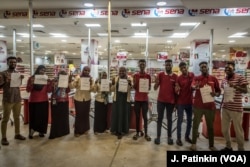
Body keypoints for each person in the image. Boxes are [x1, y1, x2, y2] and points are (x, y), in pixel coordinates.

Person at [190, 61, 221, 151]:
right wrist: (195, 87)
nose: (203, 68)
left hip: (210, 107)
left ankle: (211, 145)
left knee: (210, 126)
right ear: (200, 69)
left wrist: (215, 94)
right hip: (198, 106)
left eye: (205, 66)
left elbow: (219, 92)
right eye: (202, 67)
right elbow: (192, 86)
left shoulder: (213, 79)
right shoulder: (197, 78)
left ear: (207, 67)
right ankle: (193, 144)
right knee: (195, 125)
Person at [220, 61, 248, 151]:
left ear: (234, 69)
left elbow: (245, 90)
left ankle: (241, 148)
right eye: (226, 68)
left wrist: (235, 86)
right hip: (225, 108)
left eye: (230, 68)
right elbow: (224, 93)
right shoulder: (224, 80)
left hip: (236, 109)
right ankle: (228, 146)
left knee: (238, 130)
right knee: (224, 129)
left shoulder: (240, 78)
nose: (227, 69)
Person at [0, 56, 26, 146]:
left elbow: (17, 85)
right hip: (8, 99)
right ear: (8, 63)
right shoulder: (3, 74)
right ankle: (3, 137)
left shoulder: (17, 73)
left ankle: (17, 134)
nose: (13, 64)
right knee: (5, 119)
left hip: (17, 98)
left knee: (17, 117)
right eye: (11, 62)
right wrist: (5, 81)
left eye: (14, 62)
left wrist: (21, 79)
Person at [154, 59, 177, 145]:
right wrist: (156, 83)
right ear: (164, 66)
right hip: (161, 101)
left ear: (172, 65)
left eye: (169, 65)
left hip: (171, 102)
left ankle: (169, 137)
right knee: (159, 119)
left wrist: (176, 103)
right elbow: (155, 88)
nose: (167, 66)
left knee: (169, 119)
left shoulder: (175, 76)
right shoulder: (160, 75)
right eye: (166, 65)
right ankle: (158, 137)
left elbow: (176, 91)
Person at [26, 65, 53, 139]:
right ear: (38, 70)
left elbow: (49, 90)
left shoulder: (46, 79)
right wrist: (31, 83)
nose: (43, 72)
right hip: (34, 100)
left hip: (44, 100)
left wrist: (50, 84)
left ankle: (41, 131)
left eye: (44, 70)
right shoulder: (32, 78)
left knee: (43, 117)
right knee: (34, 117)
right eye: (41, 70)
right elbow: (28, 90)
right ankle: (32, 131)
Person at [69, 66, 94, 137]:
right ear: (83, 70)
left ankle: (85, 129)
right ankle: (77, 131)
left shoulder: (91, 78)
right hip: (78, 98)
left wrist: (91, 84)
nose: (87, 72)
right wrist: (71, 81)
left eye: (88, 71)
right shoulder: (78, 77)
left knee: (86, 114)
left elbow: (92, 90)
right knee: (79, 115)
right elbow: (72, 87)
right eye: (85, 70)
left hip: (87, 98)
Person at [175, 61, 194, 146]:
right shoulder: (179, 78)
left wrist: (194, 87)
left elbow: (194, 86)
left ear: (187, 67)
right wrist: (177, 89)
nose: (184, 69)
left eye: (185, 67)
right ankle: (178, 138)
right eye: (182, 68)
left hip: (189, 102)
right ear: (180, 69)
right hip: (181, 102)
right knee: (180, 120)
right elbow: (176, 90)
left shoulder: (192, 75)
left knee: (189, 120)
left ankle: (187, 136)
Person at [110, 67, 132, 139]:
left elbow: (132, 89)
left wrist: (130, 84)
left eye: (123, 71)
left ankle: (123, 131)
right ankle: (116, 130)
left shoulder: (129, 79)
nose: (122, 72)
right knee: (116, 114)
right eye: (120, 71)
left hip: (125, 100)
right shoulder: (116, 78)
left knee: (124, 115)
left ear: (126, 72)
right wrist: (112, 84)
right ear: (118, 72)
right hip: (117, 100)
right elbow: (112, 90)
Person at [132, 59, 151, 141]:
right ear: (139, 65)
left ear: (145, 65)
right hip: (137, 99)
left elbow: (149, 88)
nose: (142, 65)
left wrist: (146, 86)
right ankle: (137, 132)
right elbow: (134, 87)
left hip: (144, 99)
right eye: (141, 64)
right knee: (137, 116)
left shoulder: (148, 76)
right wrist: (135, 82)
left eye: (143, 64)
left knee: (145, 117)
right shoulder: (135, 75)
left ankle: (146, 133)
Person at [49, 70, 71, 139]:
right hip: (56, 101)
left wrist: (68, 83)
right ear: (59, 75)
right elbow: (50, 90)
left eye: (64, 75)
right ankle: (55, 133)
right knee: (56, 117)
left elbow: (68, 91)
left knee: (64, 117)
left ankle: (64, 131)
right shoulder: (54, 81)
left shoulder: (66, 81)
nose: (63, 76)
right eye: (61, 75)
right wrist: (51, 84)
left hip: (64, 101)